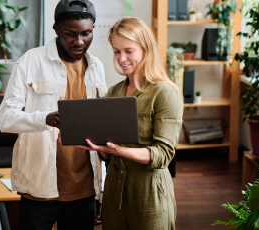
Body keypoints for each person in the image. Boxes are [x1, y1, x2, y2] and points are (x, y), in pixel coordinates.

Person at [0, 0, 108, 229]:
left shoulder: (97, 67)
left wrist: (101, 191)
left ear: (93, 29)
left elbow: (100, 129)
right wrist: (44, 119)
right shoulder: (31, 61)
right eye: (70, 34)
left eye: (86, 33)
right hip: (40, 187)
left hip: (85, 188)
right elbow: (5, 118)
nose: (79, 42)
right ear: (56, 29)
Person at [77, 17, 184, 230]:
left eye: (129, 51)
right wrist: (102, 149)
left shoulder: (165, 93)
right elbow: (108, 148)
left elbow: (163, 155)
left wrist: (119, 150)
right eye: (116, 51)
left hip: (148, 191)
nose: (121, 58)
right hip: (115, 190)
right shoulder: (114, 92)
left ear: (145, 49)